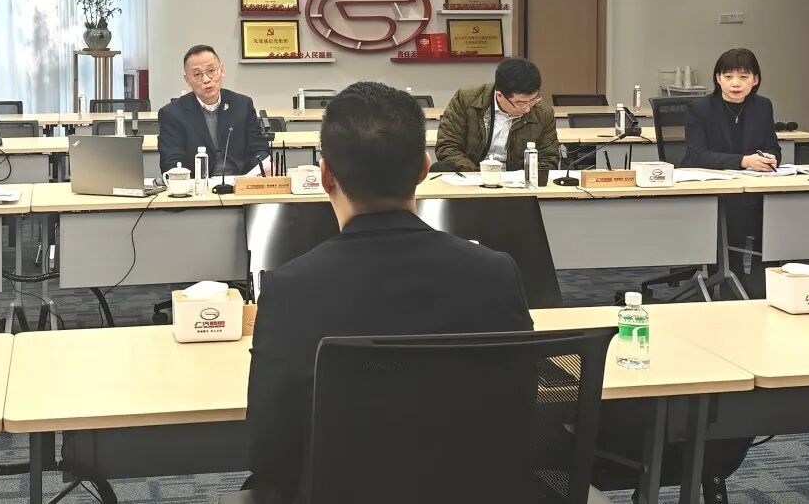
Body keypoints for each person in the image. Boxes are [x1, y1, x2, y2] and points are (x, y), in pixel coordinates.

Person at [244, 82, 535, 502]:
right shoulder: (496, 273)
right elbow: (520, 413)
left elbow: (267, 452)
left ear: (325, 175)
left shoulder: (289, 289)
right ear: (424, 168)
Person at [683, 47, 781, 298]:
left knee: (777, 218)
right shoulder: (700, 108)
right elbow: (697, 155)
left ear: (755, 80)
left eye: (744, 77)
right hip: (713, 191)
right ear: (718, 79)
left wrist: (770, 158)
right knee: (735, 223)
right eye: (728, 77)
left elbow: (773, 146)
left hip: (753, 189)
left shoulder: (763, 106)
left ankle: (764, 287)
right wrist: (744, 161)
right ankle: (729, 286)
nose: (736, 83)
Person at [157, 45, 269, 176]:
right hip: (197, 185)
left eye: (211, 71)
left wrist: (256, 173)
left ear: (222, 70)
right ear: (187, 80)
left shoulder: (242, 105)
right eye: (197, 74)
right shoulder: (172, 114)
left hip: (241, 182)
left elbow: (260, 149)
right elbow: (170, 161)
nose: (206, 80)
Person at [435, 58, 560, 173]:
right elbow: (447, 147)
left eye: (533, 100)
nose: (528, 109)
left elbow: (548, 158)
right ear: (499, 95)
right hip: (471, 177)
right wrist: (480, 176)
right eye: (520, 103)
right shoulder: (465, 101)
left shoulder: (543, 113)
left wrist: (527, 177)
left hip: (519, 183)